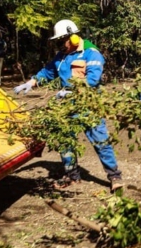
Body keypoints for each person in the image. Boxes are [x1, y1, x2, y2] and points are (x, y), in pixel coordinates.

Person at [14, 19, 121, 190]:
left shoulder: (91, 53)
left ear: (73, 37)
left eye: (61, 40)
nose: (59, 45)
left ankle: (114, 176)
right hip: (67, 106)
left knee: (100, 141)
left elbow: (93, 79)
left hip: (88, 104)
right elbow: (48, 72)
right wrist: (31, 82)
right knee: (65, 141)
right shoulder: (61, 57)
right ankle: (72, 175)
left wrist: (72, 90)